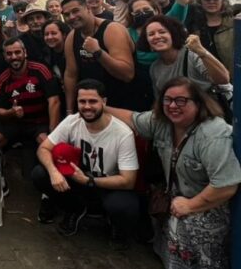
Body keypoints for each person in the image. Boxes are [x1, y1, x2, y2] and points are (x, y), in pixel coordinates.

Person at [106, 77, 241, 268]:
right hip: (178, 204)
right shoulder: (162, 122)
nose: (172, 106)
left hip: (209, 207)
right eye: (167, 100)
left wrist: (191, 205)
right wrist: (100, 107)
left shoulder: (213, 133)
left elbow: (226, 185)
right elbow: (133, 118)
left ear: (198, 103)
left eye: (181, 100)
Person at [32, 79, 139, 247]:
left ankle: (117, 226)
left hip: (107, 186)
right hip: (78, 182)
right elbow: (43, 149)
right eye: (82, 101)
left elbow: (129, 180)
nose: (87, 106)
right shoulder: (72, 121)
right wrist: (54, 172)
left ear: (104, 102)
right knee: (40, 174)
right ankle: (74, 209)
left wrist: (89, 181)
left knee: (124, 205)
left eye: (93, 101)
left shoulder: (122, 133)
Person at [0, 38, 61, 179]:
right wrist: (11, 112)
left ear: (25, 52)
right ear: (5, 56)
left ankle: (54, 180)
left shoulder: (40, 70)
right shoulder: (2, 79)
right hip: (14, 123)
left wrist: (53, 134)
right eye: (9, 54)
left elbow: (54, 101)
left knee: (47, 143)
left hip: (39, 122)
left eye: (17, 52)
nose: (14, 57)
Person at [62, 0, 135, 112]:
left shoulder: (112, 30)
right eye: (66, 14)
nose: (71, 17)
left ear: (88, 8)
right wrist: (69, 111)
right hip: (91, 107)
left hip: (122, 104)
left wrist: (98, 53)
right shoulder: (72, 37)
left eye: (75, 11)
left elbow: (127, 74)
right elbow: (71, 75)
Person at [138, 15, 230, 97]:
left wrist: (201, 51)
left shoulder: (192, 55)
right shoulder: (155, 68)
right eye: (151, 34)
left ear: (173, 34)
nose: (157, 36)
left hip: (206, 108)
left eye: (162, 32)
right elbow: (160, 99)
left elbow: (223, 79)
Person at [187, 0, 234, 79]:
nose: (211, 1)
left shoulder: (234, 24)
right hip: (204, 79)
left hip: (232, 79)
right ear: (200, 0)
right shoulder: (193, 25)